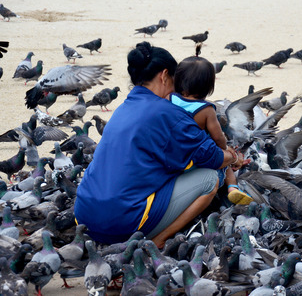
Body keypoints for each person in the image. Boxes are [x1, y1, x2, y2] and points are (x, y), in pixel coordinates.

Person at [74, 42, 244, 247]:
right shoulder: (167, 113)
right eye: (174, 81)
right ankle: (159, 239)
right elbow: (214, 158)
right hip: (119, 224)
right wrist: (233, 156)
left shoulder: (124, 107)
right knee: (210, 179)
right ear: (164, 75)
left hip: (85, 216)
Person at [169, 56, 253, 205]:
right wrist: (227, 150)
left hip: (174, 158)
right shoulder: (206, 110)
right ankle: (233, 188)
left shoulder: (170, 99)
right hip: (197, 160)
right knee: (224, 161)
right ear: (209, 87)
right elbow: (218, 137)